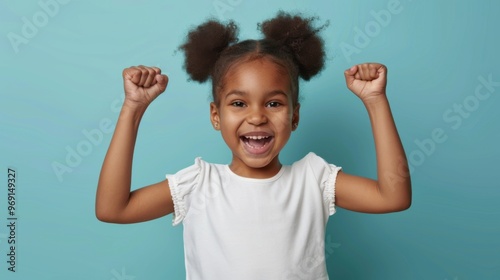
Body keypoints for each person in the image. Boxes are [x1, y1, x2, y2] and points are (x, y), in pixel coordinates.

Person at [95, 11, 411, 280]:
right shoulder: (198, 185)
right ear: (216, 116)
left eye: (273, 103)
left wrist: (375, 101)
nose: (257, 116)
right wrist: (132, 109)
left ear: (295, 115)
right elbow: (113, 209)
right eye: (239, 103)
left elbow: (393, 196)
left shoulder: (313, 180)